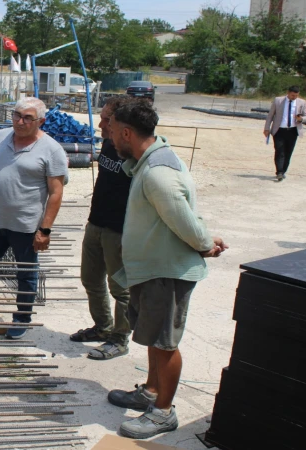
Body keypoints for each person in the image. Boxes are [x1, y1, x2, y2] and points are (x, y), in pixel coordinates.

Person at [107, 101, 228, 439]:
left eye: (114, 131)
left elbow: (182, 218)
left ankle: (163, 412)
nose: (111, 136)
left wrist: (205, 243)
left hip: (165, 272)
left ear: (128, 133)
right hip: (151, 269)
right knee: (151, 335)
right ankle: (149, 391)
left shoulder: (157, 172)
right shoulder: (148, 162)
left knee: (164, 343)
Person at [0, 97, 68, 339]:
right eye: (17, 115)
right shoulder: (0, 137)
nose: (20, 121)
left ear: (41, 121)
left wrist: (45, 230)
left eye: (28, 117)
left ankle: (22, 318)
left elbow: (56, 193)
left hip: (26, 225)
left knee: (26, 273)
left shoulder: (52, 149)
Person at [69, 96, 134, 360]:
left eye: (107, 119)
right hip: (96, 222)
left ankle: (120, 338)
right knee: (91, 279)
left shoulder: (134, 152)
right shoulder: (109, 142)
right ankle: (103, 327)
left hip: (120, 231)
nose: (100, 123)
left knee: (121, 289)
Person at [263, 85, 306, 181]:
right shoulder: (278, 100)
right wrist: (267, 128)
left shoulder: (302, 102)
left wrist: (301, 119)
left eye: (296, 95)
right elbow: (270, 115)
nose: (294, 97)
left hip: (292, 130)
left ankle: (283, 171)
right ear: (288, 93)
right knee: (279, 151)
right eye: (292, 95)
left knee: (288, 152)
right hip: (279, 130)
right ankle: (279, 172)